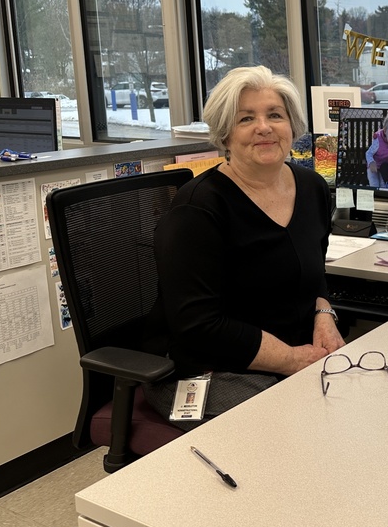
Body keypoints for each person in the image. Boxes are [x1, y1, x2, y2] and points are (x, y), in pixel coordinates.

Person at [144, 66, 345, 421]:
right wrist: (292, 359)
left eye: (275, 115)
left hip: (291, 357)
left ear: (292, 127)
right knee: (305, 425)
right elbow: (198, 326)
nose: (264, 127)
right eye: (246, 118)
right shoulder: (198, 209)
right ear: (225, 135)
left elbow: (313, 274)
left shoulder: (312, 188)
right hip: (208, 369)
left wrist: (324, 315)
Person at [365, 111, 388, 188]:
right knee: (374, 184)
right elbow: (368, 153)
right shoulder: (378, 141)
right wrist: (371, 162)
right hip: (374, 167)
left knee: (383, 186)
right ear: (385, 131)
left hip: (385, 169)